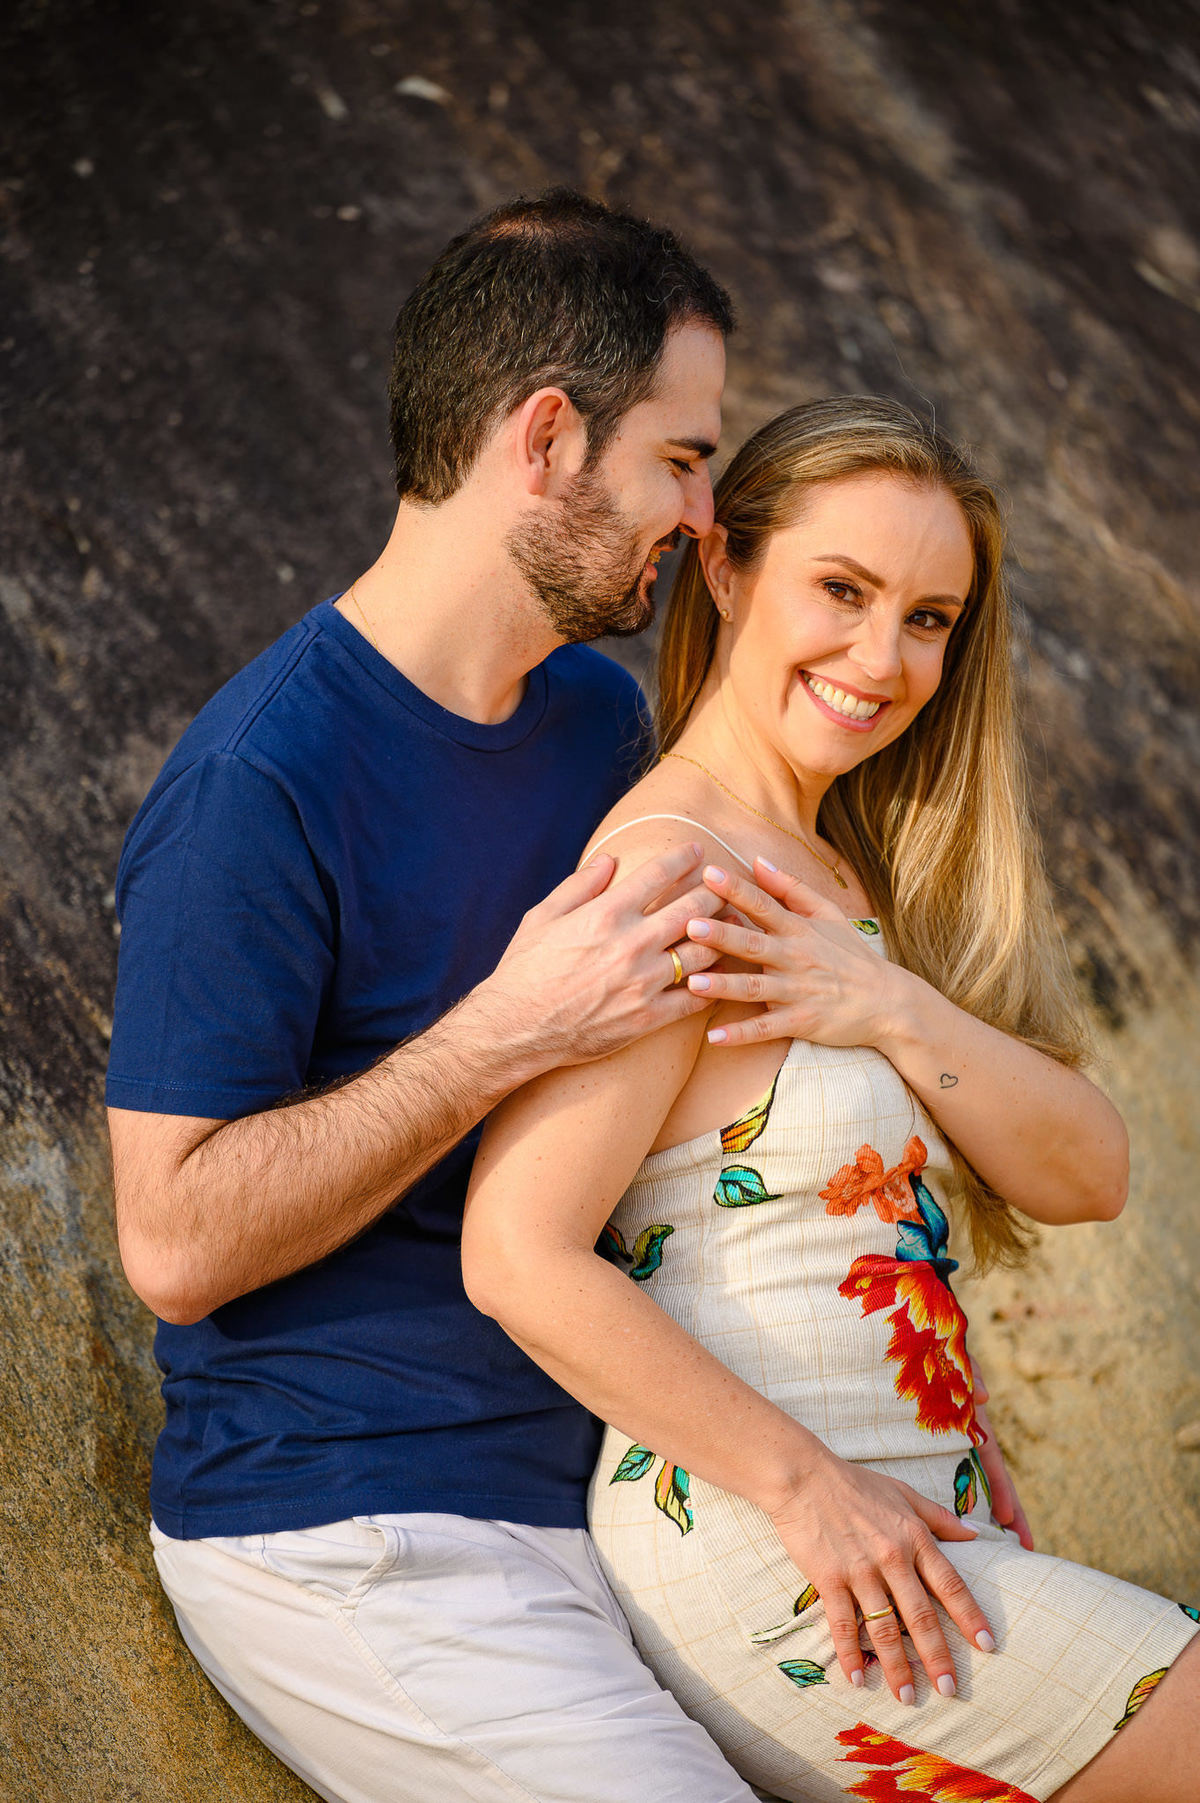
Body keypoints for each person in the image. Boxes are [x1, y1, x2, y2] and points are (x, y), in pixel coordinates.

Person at [107, 188, 769, 1803]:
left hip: (621, 1495)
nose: (705, 514)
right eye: (681, 460)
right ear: (546, 439)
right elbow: (174, 1244)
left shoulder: (601, 729)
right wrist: (507, 1031)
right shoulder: (259, 781)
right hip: (361, 1529)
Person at [461, 397, 1200, 1803]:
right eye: (843, 592)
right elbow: (515, 1253)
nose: (883, 657)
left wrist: (891, 1005)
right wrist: (809, 1488)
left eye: (930, 618)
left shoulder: (849, 877)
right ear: (728, 570)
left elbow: (1088, 1173)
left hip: (924, 1530)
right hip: (787, 1546)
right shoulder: (677, 875)